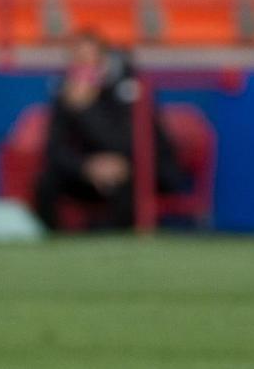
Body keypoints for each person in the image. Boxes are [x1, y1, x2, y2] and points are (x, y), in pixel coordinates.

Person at [32, 32, 185, 232]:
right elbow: (54, 149)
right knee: (46, 182)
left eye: (89, 60)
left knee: (129, 186)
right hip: (89, 172)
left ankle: (105, 237)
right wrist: (86, 167)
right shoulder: (67, 96)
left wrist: (87, 110)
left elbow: (132, 144)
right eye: (78, 61)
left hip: (133, 170)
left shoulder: (129, 88)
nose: (84, 68)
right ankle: (54, 240)